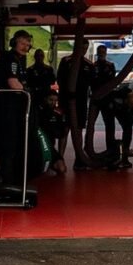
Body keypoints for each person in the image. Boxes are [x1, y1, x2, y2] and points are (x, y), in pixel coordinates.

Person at [0, 31, 32, 190]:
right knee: (8, 146)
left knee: (14, 145)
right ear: (15, 42)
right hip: (6, 109)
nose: (25, 47)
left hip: (13, 109)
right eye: (22, 43)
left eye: (28, 44)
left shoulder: (19, 60)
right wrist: (28, 92)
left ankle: (11, 179)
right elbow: (13, 83)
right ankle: (7, 183)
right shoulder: (11, 58)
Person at [57, 42, 93, 170]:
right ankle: (59, 159)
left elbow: (92, 83)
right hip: (66, 102)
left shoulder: (88, 65)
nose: (83, 50)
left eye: (85, 48)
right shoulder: (66, 61)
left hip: (80, 103)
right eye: (81, 47)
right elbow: (59, 79)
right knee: (64, 130)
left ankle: (79, 159)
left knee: (78, 130)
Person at [90, 45, 118, 160]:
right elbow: (91, 81)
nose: (101, 53)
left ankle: (110, 149)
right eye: (100, 51)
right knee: (90, 124)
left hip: (107, 98)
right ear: (97, 53)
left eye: (103, 51)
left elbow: (112, 81)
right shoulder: (93, 66)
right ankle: (88, 148)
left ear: (106, 53)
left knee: (110, 125)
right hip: (95, 98)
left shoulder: (110, 66)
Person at [105, 83, 133, 169]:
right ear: (126, 100)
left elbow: (130, 119)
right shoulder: (116, 97)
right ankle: (110, 153)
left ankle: (125, 156)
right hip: (111, 106)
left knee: (128, 129)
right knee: (110, 127)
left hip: (124, 109)